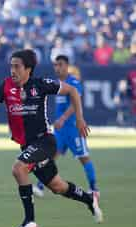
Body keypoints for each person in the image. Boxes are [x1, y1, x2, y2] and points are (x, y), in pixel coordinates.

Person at [0, 49, 103, 227]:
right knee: (57, 186)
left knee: (18, 168)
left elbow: (73, 92)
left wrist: (79, 119)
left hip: (44, 141)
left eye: (17, 67)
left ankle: (29, 220)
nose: (12, 71)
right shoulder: (5, 85)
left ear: (28, 69)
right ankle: (89, 199)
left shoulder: (41, 85)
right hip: (28, 145)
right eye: (11, 66)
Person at [32, 55, 99, 198]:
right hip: (60, 130)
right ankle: (40, 186)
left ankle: (94, 190)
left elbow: (75, 104)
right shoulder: (57, 84)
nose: (57, 67)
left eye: (60, 64)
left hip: (73, 128)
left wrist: (62, 118)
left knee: (84, 157)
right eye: (55, 65)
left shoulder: (73, 82)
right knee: (50, 157)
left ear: (67, 66)